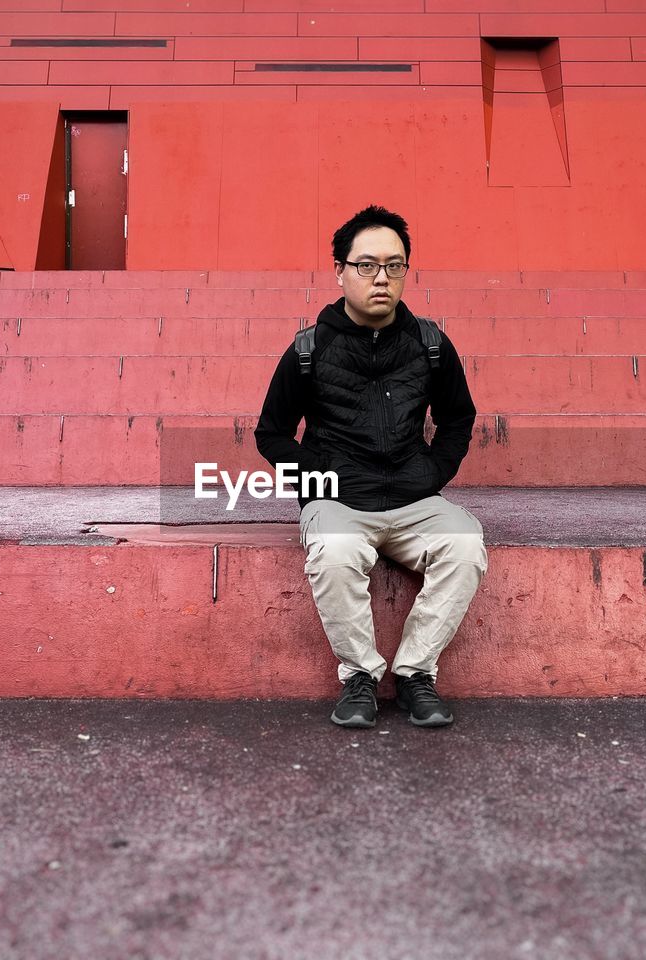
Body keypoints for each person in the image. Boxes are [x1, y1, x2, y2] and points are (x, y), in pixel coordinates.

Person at [254, 206, 488, 729]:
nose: (381, 277)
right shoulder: (309, 349)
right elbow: (270, 432)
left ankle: (414, 675)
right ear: (339, 270)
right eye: (365, 265)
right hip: (338, 503)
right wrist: (321, 476)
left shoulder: (429, 344)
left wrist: (432, 474)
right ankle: (359, 676)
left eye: (394, 265)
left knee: (466, 543)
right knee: (334, 552)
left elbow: (458, 417)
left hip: (414, 500)